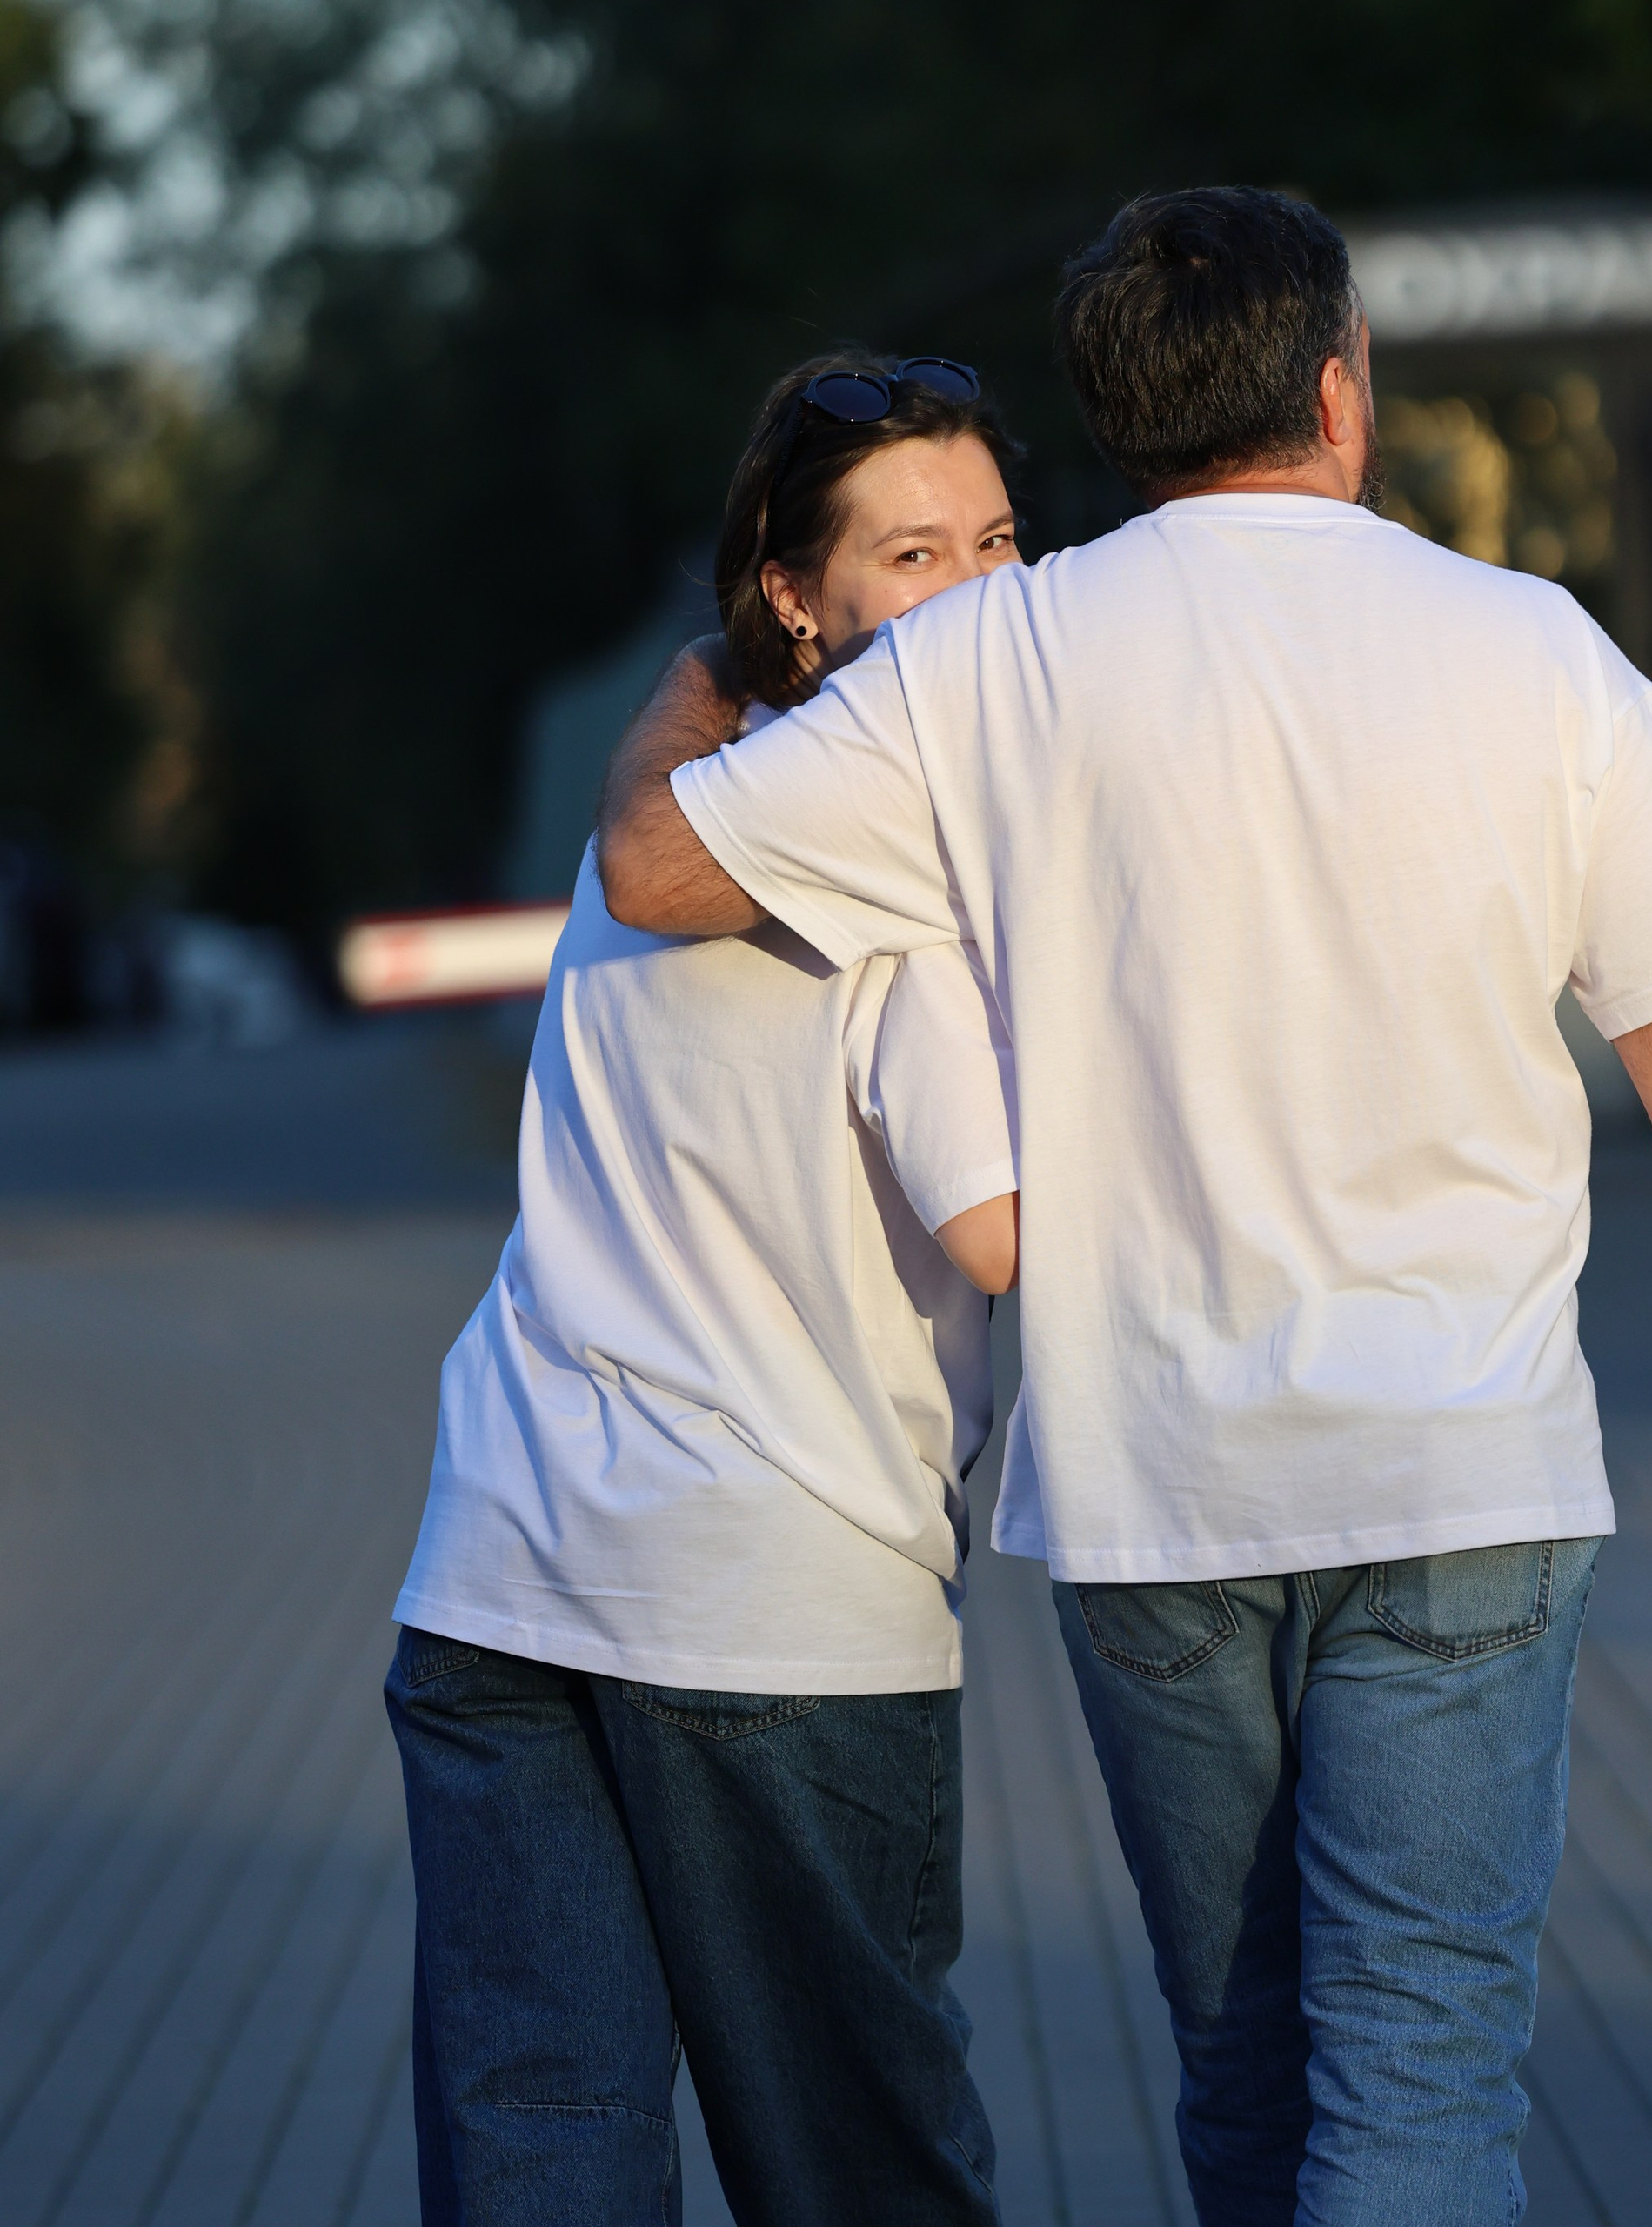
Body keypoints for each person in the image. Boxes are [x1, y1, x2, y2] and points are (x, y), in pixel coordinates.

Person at [597, 188, 1652, 2227]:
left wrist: (685, 685)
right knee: (1419, 2060)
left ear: (1117, 425)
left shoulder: (987, 663)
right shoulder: (1531, 651)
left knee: (1246, 2064)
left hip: (1147, 1490)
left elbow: (658, 874)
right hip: (1459, 1467)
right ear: (1339, 391)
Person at [385, 351, 1028, 2227]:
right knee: (863, 2179)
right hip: (777, 1611)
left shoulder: (662, 810)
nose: (978, 590)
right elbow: (1000, 1232)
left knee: (542, 2159)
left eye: (998, 538)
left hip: (503, 1575)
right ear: (792, 592)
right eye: (911, 553)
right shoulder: (903, 859)